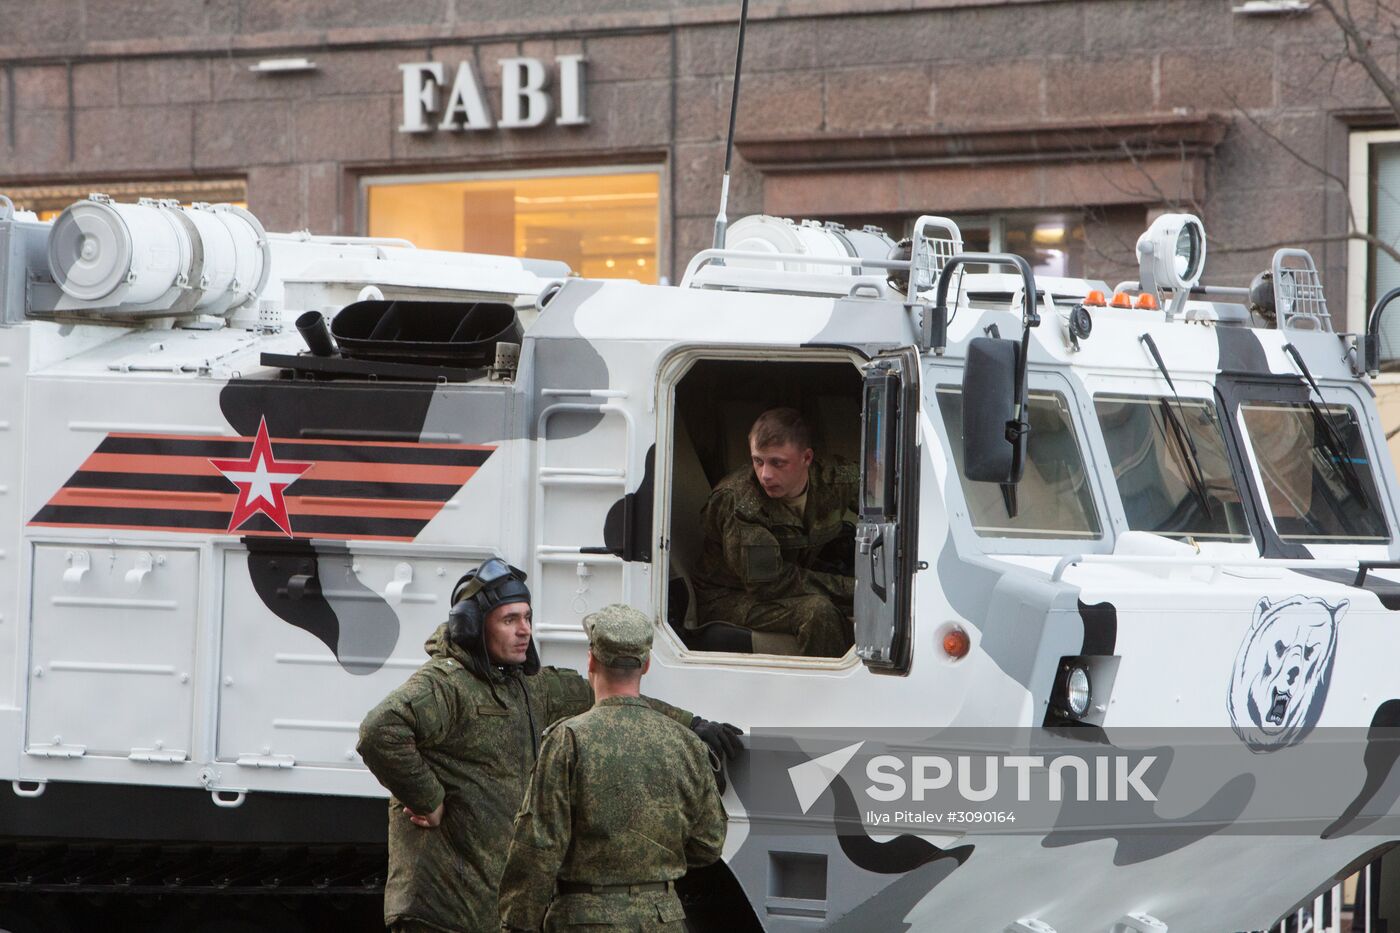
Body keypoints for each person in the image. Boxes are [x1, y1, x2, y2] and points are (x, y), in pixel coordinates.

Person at [356, 560, 741, 933]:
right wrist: (428, 798)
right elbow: (379, 730)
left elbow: (609, 697)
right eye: (510, 620)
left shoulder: (527, 685)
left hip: (490, 903)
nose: (524, 630)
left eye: (527, 618)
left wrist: (692, 723)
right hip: (444, 909)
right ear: (473, 626)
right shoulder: (445, 684)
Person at [499, 604, 727, 933]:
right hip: (663, 919)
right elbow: (708, 843)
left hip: (585, 920)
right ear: (646, 665)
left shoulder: (568, 741)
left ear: (591, 660)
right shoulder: (687, 743)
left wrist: (516, 925)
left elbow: (538, 848)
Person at [691, 407, 859, 657]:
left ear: (807, 458)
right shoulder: (740, 503)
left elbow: (888, 494)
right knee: (818, 612)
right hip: (731, 597)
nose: (765, 475)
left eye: (778, 463)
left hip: (789, 582)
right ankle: (822, 694)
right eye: (758, 461)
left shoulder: (835, 480)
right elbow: (770, 585)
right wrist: (853, 590)